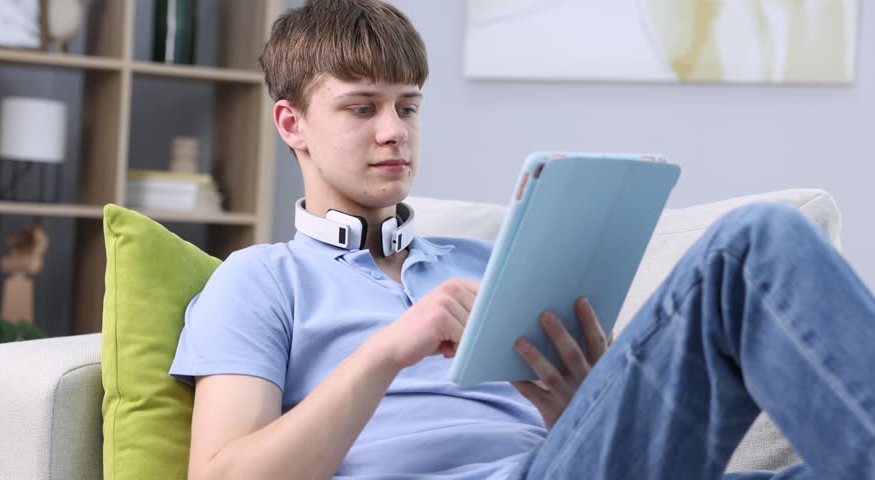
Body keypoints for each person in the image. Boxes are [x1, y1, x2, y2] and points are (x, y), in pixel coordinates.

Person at [169, 1, 875, 478]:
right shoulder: (258, 280)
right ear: (291, 124)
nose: (393, 132)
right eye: (361, 108)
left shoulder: (491, 264)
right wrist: (386, 350)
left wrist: (581, 402)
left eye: (407, 107)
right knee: (751, 243)